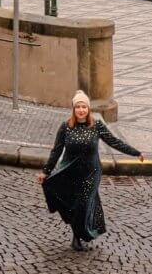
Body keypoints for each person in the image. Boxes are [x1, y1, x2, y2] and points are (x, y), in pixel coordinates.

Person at [39, 91, 144, 252]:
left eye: (84, 107)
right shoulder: (65, 127)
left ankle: (79, 236)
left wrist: (136, 153)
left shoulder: (97, 126)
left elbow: (114, 142)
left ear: (88, 109)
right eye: (78, 107)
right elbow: (56, 151)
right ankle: (76, 235)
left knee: (84, 203)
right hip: (70, 171)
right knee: (73, 204)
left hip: (91, 173)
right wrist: (46, 172)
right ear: (73, 109)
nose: (81, 110)